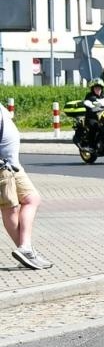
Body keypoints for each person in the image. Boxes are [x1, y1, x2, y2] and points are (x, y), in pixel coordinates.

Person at [0, 102, 52, 270]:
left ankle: (26, 249)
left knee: (32, 199)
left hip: (13, 165)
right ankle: (27, 252)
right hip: (3, 167)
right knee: (10, 209)